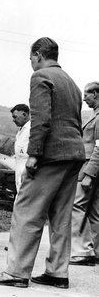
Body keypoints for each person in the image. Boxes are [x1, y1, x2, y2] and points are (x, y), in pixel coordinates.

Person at [0, 37, 85, 289]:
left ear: (39, 54)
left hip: (50, 155)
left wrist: (34, 154)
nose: (31, 62)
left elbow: (41, 119)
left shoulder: (40, 77)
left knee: (26, 211)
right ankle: (57, 272)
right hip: (74, 154)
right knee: (61, 217)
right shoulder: (72, 83)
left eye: (31, 57)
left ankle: (17, 271)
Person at [70, 82, 99, 266]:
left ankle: (83, 251)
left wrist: (89, 174)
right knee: (95, 211)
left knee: (77, 205)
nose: (84, 98)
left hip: (90, 167)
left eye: (87, 94)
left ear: (96, 94)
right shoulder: (94, 116)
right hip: (92, 167)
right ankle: (96, 251)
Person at [10, 104, 30, 194]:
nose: (13, 120)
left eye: (15, 117)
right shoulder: (21, 131)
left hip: (28, 171)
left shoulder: (31, 129)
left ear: (24, 115)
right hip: (19, 170)